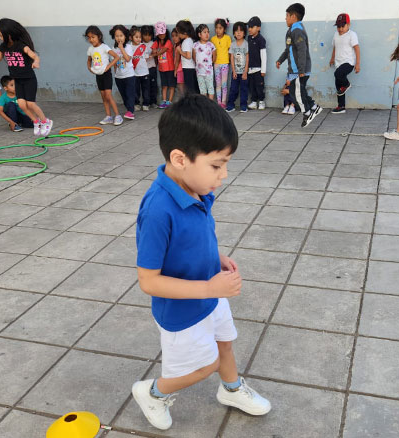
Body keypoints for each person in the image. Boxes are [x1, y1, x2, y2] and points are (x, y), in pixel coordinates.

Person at [131, 94, 271, 431]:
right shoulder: (158, 209)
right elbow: (148, 281)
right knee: (202, 366)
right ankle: (152, 392)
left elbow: (195, 237)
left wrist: (216, 258)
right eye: (216, 164)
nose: (223, 175)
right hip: (182, 312)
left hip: (210, 293)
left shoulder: (197, 189)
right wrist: (209, 286)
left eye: (226, 164)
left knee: (225, 341)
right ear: (180, 158)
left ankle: (232, 389)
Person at [0, 18, 53, 136]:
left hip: (29, 79)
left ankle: (46, 121)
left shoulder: (21, 46)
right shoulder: (3, 47)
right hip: (17, 80)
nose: (0, 38)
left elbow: (33, 55)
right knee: (22, 104)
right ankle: (36, 122)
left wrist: (36, 62)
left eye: (1, 35)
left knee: (30, 104)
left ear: (9, 34)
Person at [276, 3, 322, 127]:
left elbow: (302, 50)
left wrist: (301, 69)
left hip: (299, 70)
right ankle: (314, 107)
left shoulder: (297, 31)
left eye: (287, 15)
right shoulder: (291, 31)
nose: (285, 18)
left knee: (296, 94)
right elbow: (288, 50)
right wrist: (280, 60)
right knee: (299, 92)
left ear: (294, 17)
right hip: (295, 70)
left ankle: (307, 113)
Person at [85, 25, 121, 125]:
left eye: (93, 37)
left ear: (99, 36)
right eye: (89, 38)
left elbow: (116, 57)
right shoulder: (90, 49)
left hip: (106, 75)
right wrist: (89, 68)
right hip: (98, 75)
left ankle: (118, 116)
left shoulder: (104, 47)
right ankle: (108, 116)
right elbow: (89, 60)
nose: (91, 40)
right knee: (103, 96)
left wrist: (108, 67)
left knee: (108, 95)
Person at [329, 13, 360, 114]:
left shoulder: (352, 35)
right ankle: (341, 106)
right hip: (338, 63)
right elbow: (335, 47)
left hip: (349, 63)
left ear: (348, 24)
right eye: (338, 26)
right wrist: (332, 58)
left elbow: (357, 49)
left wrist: (357, 64)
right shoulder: (335, 35)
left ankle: (347, 84)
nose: (340, 28)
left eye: (343, 26)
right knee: (338, 85)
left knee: (338, 75)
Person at [110, 24, 136, 121]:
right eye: (117, 36)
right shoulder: (113, 48)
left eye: (121, 35)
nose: (119, 38)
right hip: (119, 76)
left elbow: (128, 59)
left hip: (129, 75)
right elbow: (114, 61)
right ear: (114, 37)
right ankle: (128, 109)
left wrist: (121, 48)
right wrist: (115, 72)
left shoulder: (128, 47)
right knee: (124, 95)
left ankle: (131, 111)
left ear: (125, 36)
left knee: (130, 94)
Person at [225, 22, 249, 113]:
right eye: (236, 31)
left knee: (244, 89)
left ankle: (243, 105)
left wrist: (245, 71)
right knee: (233, 89)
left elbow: (247, 57)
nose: (238, 33)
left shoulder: (246, 44)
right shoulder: (233, 44)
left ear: (244, 33)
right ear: (234, 33)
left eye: (241, 31)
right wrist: (234, 71)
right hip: (235, 72)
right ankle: (230, 105)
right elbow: (231, 58)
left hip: (244, 73)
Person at [247, 16, 267, 110]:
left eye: (252, 27)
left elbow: (263, 55)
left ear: (258, 28)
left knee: (259, 86)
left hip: (259, 69)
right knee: (252, 86)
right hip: (250, 68)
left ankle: (262, 101)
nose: (249, 29)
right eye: (249, 27)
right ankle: (254, 101)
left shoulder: (261, 40)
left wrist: (263, 70)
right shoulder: (249, 38)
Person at [153, 22, 175, 108]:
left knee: (171, 85)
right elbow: (153, 49)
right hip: (161, 68)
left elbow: (163, 50)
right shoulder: (157, 42)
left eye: (163, 33)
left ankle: (169, 101)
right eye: (160, 34)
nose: (161, 35)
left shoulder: (168, 42)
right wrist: (154, 52)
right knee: (164, 85)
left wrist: (154, 54)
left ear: (166, 33)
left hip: (170, 68)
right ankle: (164, 101)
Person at [211, 18, 231, 108]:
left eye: (220, 28)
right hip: (216, 64)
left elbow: (230, 51)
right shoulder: (213, 39)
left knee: (224, 84)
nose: (218, 30)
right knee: (218, 84)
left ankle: (223, 102)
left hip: (225, 64)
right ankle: (219, 102)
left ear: (224, 29)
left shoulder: (227, 38)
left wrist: (230, 61)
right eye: (216, 28)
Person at [175, 20, 199, 94]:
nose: (178, 35)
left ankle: (191, 104)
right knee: (193, 87)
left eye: (178, 32)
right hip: (191, 67)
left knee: (189, 89)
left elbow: (188, 56)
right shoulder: (190, 40)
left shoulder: (186, 42)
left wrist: (180, 51)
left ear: (184, 33)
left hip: (188, 68)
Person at [193, 24, 216, 101]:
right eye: (204, 32)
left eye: (208, 32)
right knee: (202, 90)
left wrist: (208, 65)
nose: (207, 34)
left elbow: (214, 57)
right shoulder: (195, 45)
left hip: (208, 72)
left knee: (210, 88)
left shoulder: (211, 45)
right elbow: (194, 57)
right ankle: (204, 105)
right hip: (199, 72)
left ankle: (211, 105)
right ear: (199, 34)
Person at [131, 27, 152, 111]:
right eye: (136, 37)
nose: (138, 39)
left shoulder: (143, 46)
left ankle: (146, 104)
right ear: (131, 37)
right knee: (135, 90)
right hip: (134, 73)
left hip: (144, 72)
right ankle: (136, 103)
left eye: (140, 37)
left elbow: (146, 58)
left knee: (146, 89)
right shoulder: (129, 47)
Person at [142, 25, 159, 108]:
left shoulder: (153, 43)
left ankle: (153, 102)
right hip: (143, 69)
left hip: (152, 67)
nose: (147, 37)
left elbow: (156, 54)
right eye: (145, 35)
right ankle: (146, 102)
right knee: (145, 86)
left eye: (149, 35)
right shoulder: (141, 45)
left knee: (153, 85)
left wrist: (154, 54)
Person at [172, 29, 186, 95]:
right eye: (173, 36)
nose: (174, 38)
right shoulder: (175, 45)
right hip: (180, 69)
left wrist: (175, 70)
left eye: (176, 36)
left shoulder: (179, 46)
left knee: (181, 87)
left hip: (180, 69)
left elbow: (177, 60)